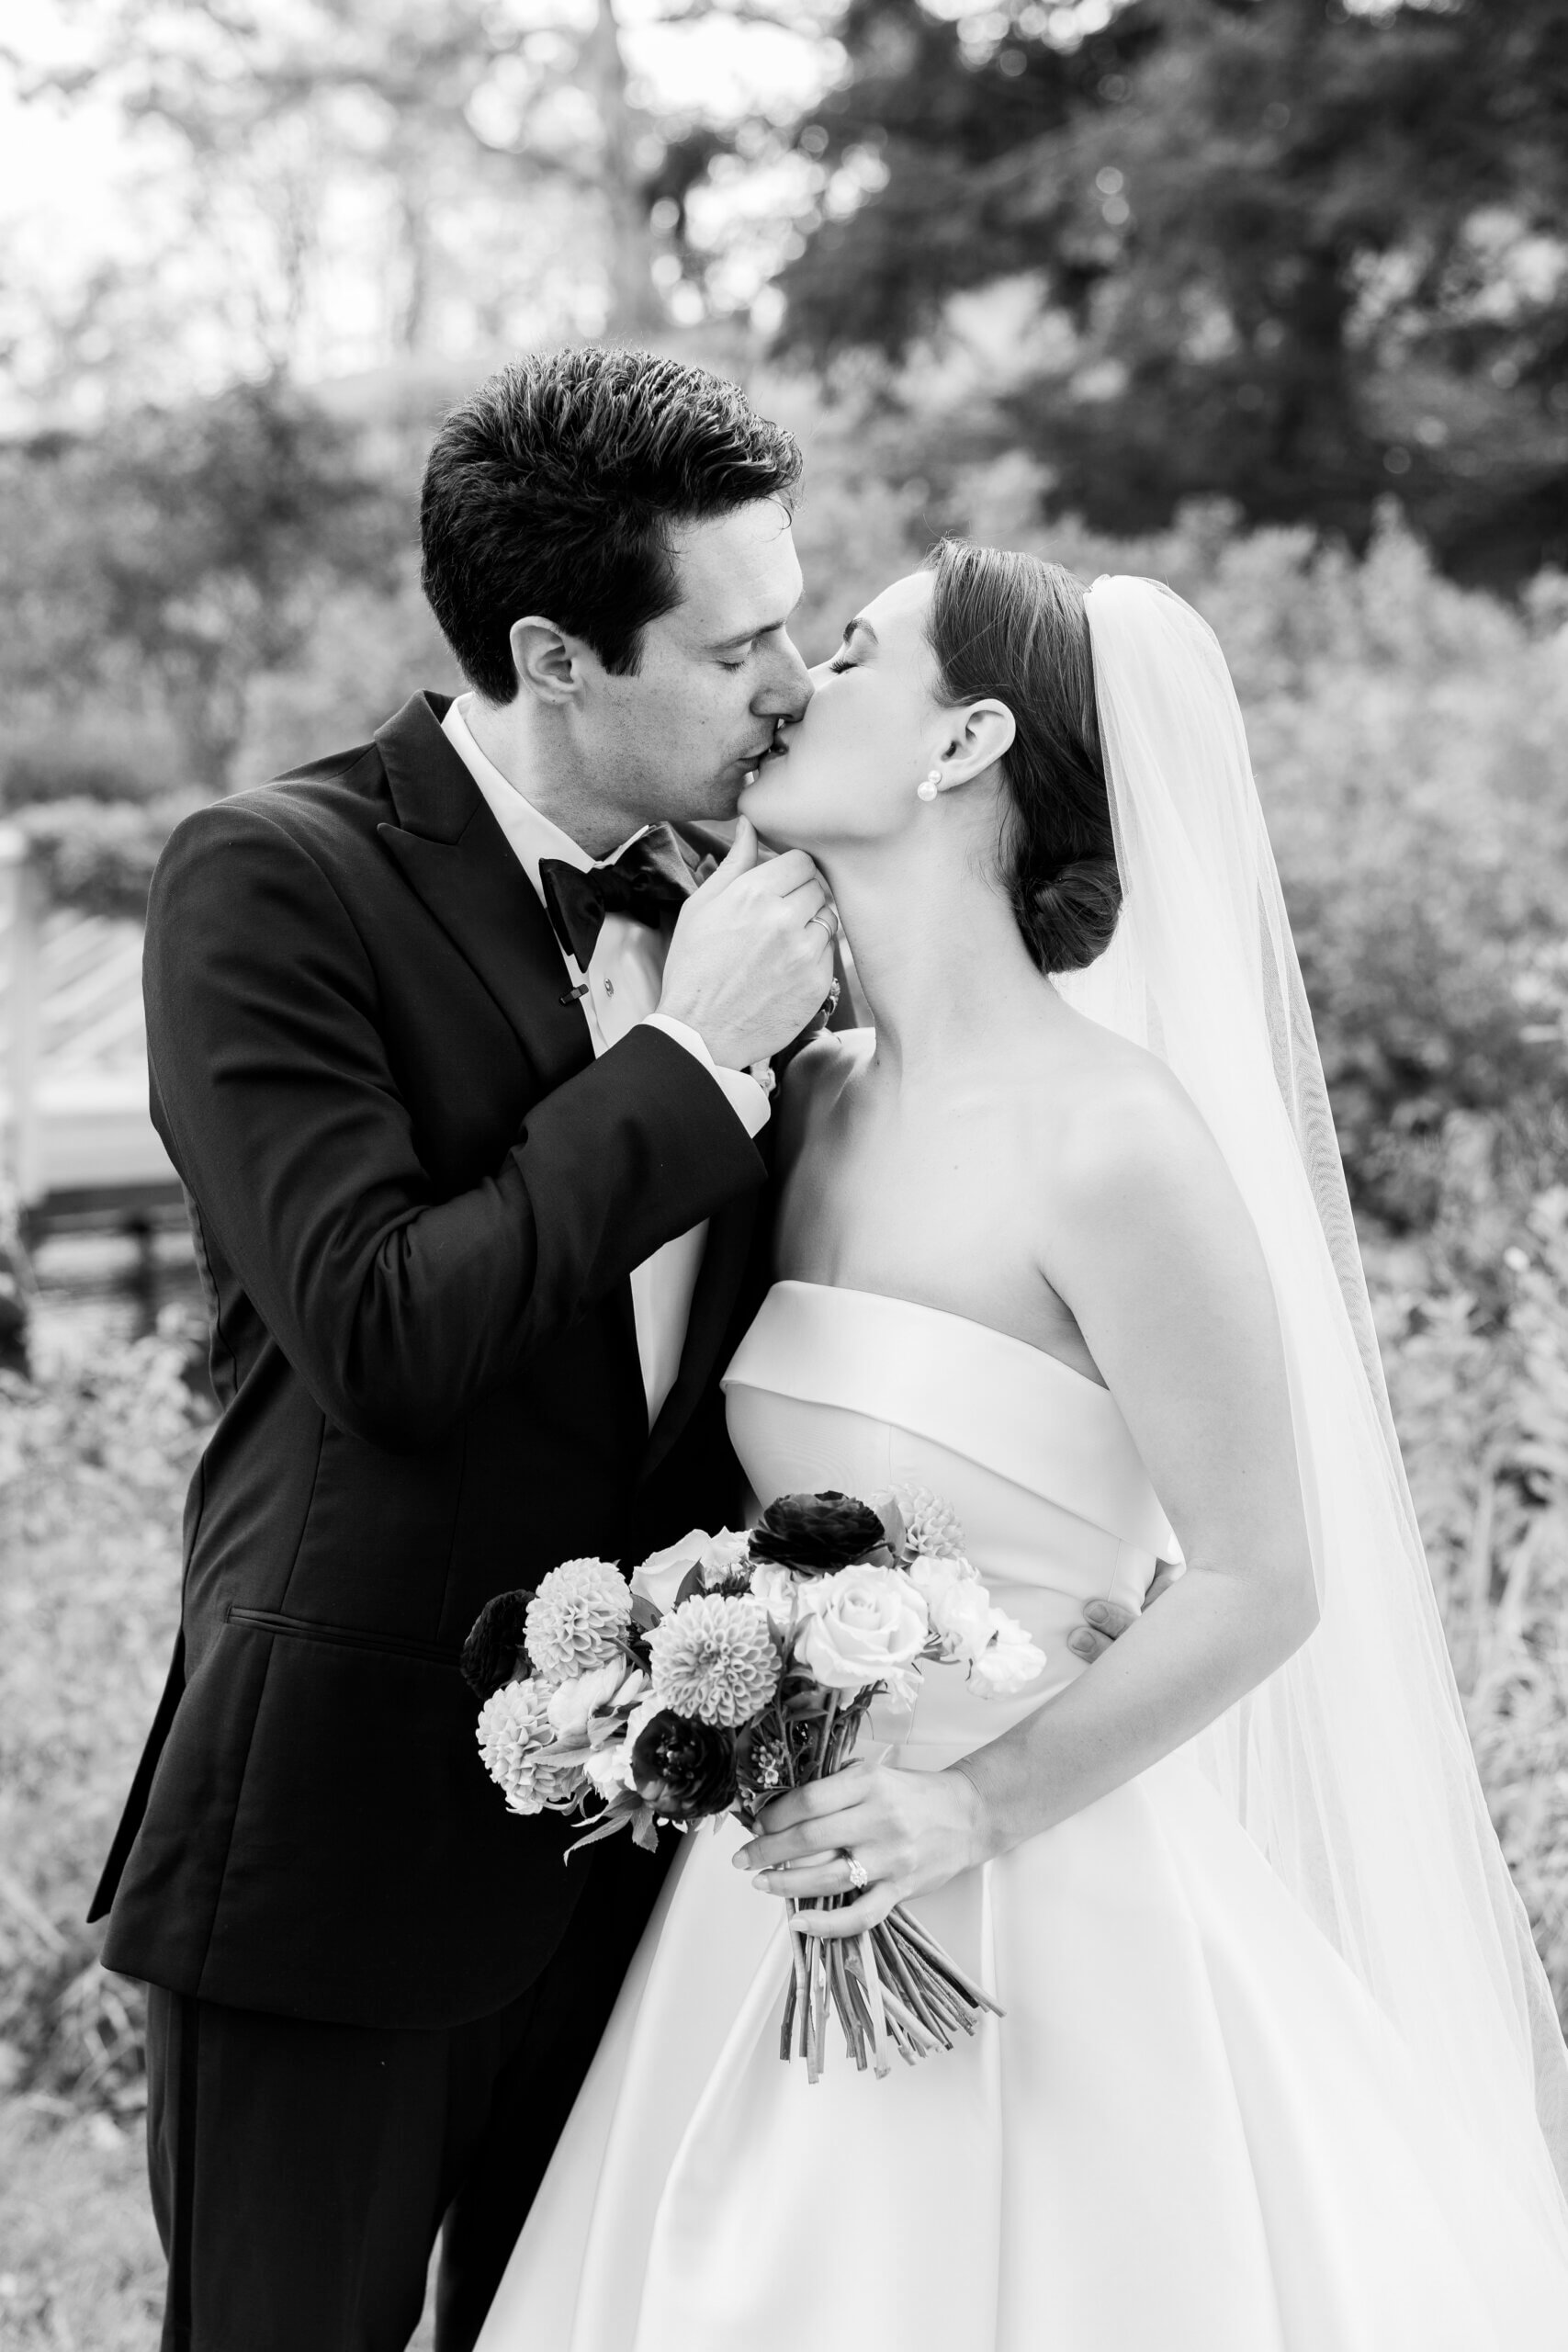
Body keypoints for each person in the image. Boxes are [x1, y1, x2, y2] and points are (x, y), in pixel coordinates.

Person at [475, 546, 1568, 2350]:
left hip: (1041, 1900)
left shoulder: (1113, 1144)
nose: (789, 685)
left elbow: (1259, 1578)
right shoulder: (799, 1104)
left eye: (848, 652)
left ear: (963, 740)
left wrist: (965, 1804)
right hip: (776, 1885)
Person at [88, 345, 848, 2352]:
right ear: (555, 657)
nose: (792, 684)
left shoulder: (755, 908)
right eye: (738, 646)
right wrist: (689, 1056)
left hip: (650, 1869)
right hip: (340, 1846)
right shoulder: (272, 878)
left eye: (797, 625)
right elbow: (381, 1326)